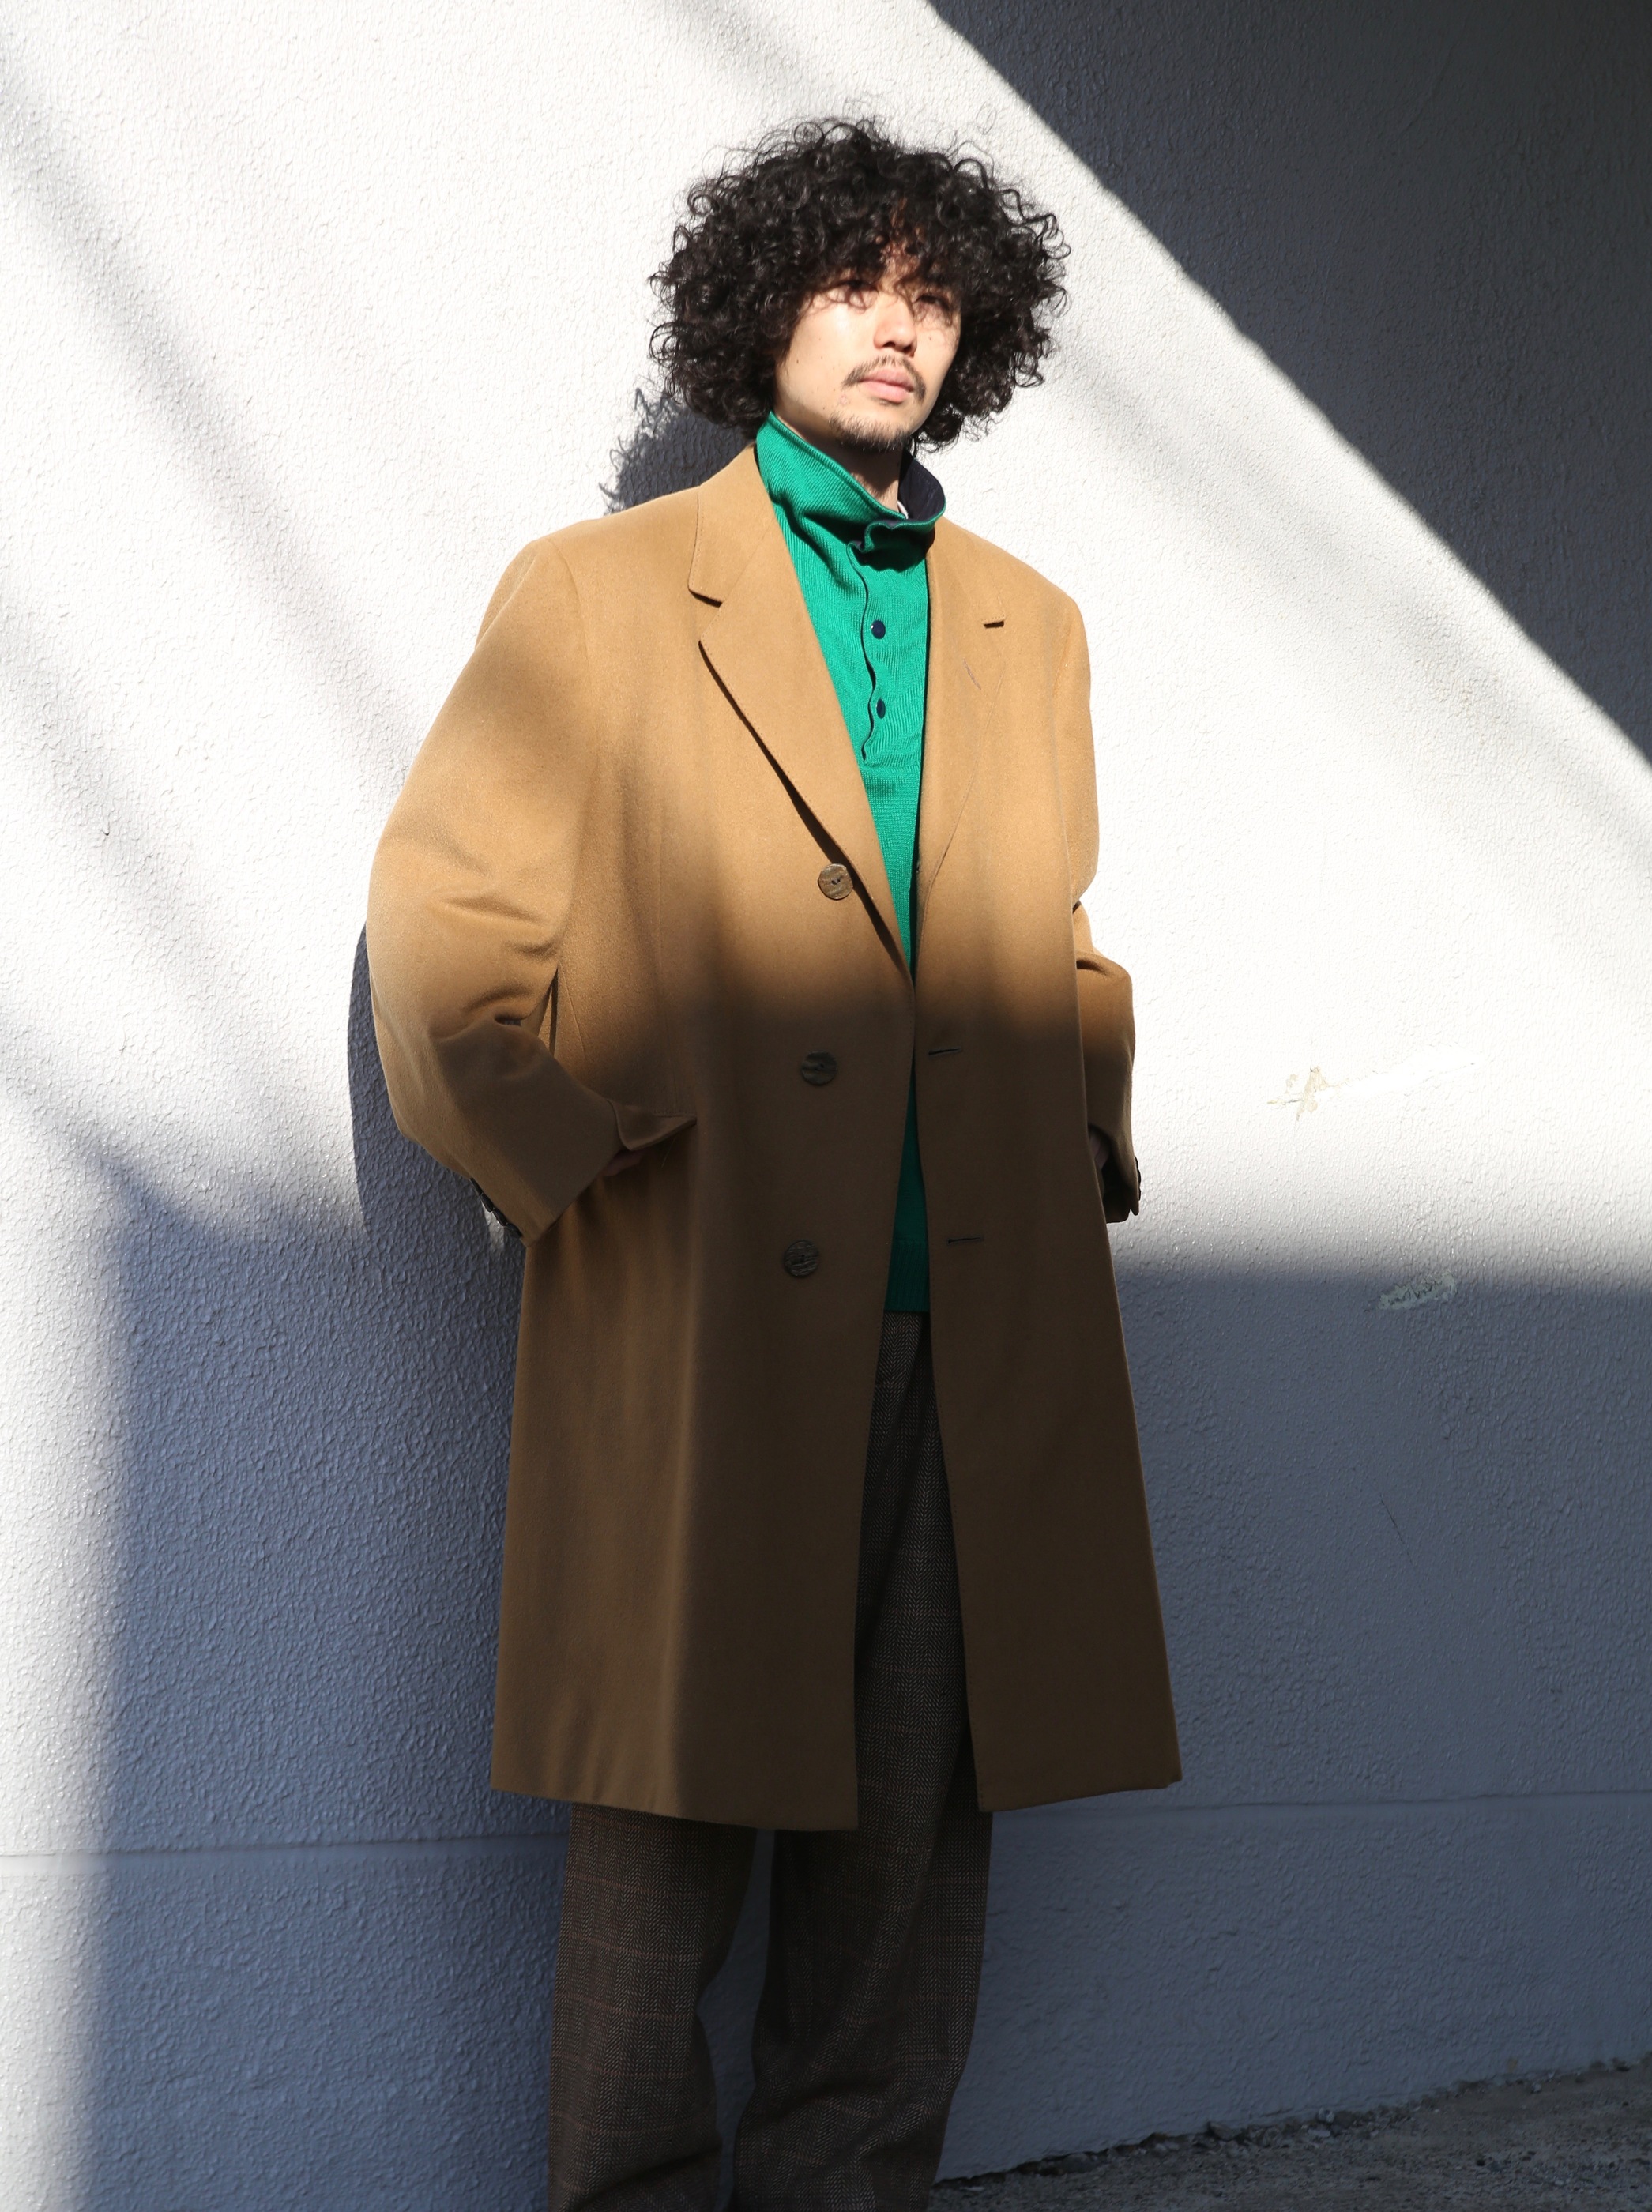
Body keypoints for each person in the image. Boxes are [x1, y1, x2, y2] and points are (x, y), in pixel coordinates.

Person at [367, 117, 1180, 2212]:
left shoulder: (1027, 623)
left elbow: (1054, 931)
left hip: (971, 1312)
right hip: (710, 1294)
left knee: (912, 1836)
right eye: (852, 285)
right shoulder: (600, 591)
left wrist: (1084, 1104)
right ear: (764, 308)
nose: (898, 328)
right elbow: (451, 920)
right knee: (666, 1824)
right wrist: (571, 1166)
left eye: (935, 297)